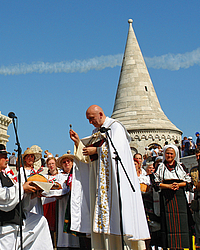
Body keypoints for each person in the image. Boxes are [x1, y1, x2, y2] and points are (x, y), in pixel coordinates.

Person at [69, 105, 149, 249]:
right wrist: (78, 142)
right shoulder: (96, 132)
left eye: (92, 118)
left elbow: (118, 151)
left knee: (118, 216)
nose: (90, 122)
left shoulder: (115, 127)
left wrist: (97, 150)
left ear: (100, 114)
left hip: (114, 183)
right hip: (100, 183)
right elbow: (88, 158)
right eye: (88, 120)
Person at [0, 144, 53, 250]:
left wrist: (31, 195)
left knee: (40, 222)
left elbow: (17, 202)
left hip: (11, 221)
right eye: (4, 156)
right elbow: (2, 198)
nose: (7, 159)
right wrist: (22, 188)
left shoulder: (5, 176)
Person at [154, 144, 193, 249]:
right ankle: (170, 247)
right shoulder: (160, 167)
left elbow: (189, 182)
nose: (169, 155)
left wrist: (178, 185)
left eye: (171, 154)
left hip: (179, 196)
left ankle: (181, 247)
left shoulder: (181, 166)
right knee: (168, 223)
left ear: (175, 154)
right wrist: (168, 186)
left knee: (181, 223)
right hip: (166, 196)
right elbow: (155, 182)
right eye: (167, 153)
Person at [55, 154, 80, 249]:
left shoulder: (77, 174)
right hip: (63, 203)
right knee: (62, 223)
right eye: (64, 162)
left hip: (75, 204)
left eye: (68, 161)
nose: (66, 163)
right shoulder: (59, 176)